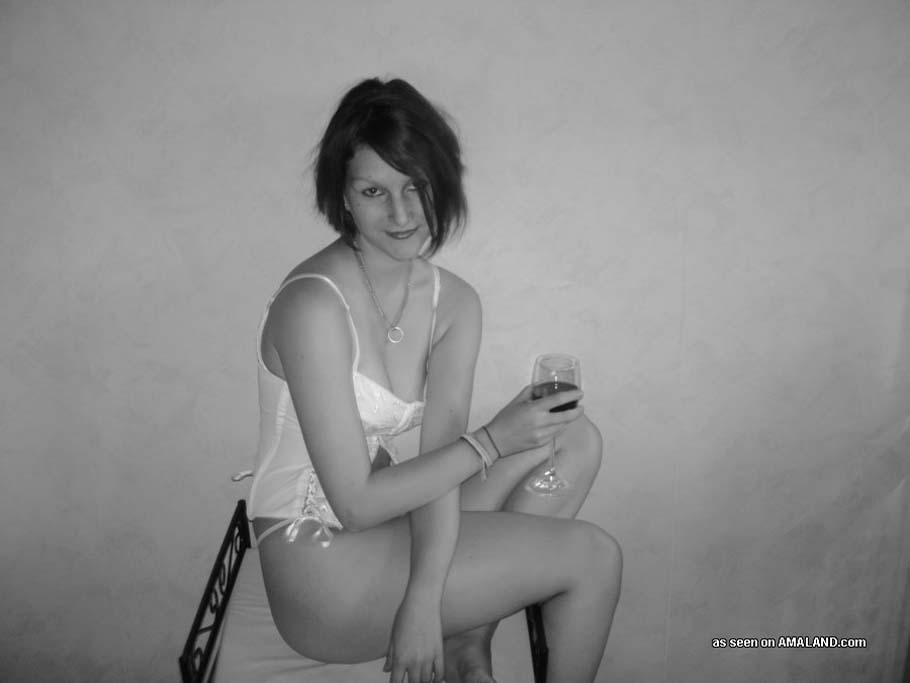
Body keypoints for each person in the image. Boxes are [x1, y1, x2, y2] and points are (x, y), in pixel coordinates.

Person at [246, 77, 622, 683]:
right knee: (593, 556)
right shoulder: (313, 306)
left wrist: (426, 595)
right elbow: (356, 504)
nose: (401, 214)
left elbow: (440, 461)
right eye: (374, 190)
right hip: (319, 563)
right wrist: (494, 441)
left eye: (415, 186)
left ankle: (468, 637)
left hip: (393, 527)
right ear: (343, 196)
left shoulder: (455, 302)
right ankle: (457, 625)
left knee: (572, 440)